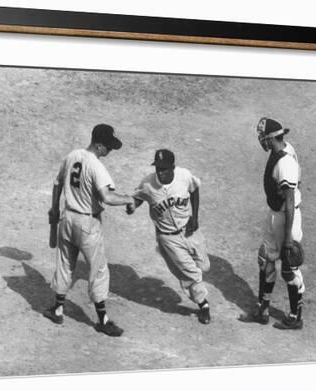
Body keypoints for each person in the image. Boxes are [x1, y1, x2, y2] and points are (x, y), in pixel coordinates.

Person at [44, 124, 134, 337]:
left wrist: (55, 209)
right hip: (87, 224)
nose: (110, 151)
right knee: (99, 270)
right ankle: (102, 320)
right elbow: (107, 198)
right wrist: (129, 199)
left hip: (67, 219)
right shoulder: (96, 166)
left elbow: (57, 184)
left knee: (65, 264)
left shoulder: (72, 155)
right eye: (108, 147)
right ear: (99, 144)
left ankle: (57, 308)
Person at [126, 149, 211, 324]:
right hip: (168, 238)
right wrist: (132, 206)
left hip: (189, 230)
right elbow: (138, 197)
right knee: (192, 274)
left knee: (205, 266)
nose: (160, 172)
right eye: (158, 168)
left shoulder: (184, 176)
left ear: (173, 167)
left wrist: (194, 218)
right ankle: (204, 305)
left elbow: (194, 191)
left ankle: (188, 277)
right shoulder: (148, 184)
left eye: (164, 168)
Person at [240, 117, 306, 329]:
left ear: (269, 139)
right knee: (266, 259)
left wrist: (288, 238)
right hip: (276, 214)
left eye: (262, 138)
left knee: (289, 268)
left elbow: (289, 200)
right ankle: (263, 308)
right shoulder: (283, 150)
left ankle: (296, 317)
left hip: (286, 218)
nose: (262, 142)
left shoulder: (285, 163)